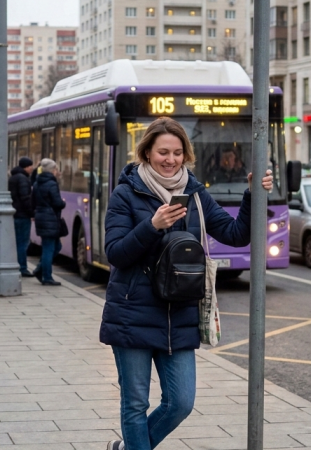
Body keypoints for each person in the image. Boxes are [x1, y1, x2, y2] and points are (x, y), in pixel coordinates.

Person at [100, 117, 273, 450]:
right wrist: (152, 225)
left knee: (180, 403)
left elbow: (235, 234)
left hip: (178, 314)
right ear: (147, 153)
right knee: (135, 404)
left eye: (177, 153)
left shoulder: (194, 194)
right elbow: (116, 253)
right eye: (163, 152)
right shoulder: (126, 194)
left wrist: (253, 195)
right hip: (132, 314)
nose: (171, 159)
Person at [33, 158, 66, 286]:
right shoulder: (52, 184)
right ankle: (46, 277)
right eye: (56, 169)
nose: (57, 171)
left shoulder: (37, 183)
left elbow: (33, 200)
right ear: (52, 170)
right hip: (50, 219)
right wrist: (63, 203)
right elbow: (57, 203)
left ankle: (40, 269)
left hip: (41, 217)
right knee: (49, 248)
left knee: (55, 246)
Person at [9, 157, 35, 277]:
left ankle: (17, 265)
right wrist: (31, 213)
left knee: (17, 242)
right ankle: (22, 268)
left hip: (15, 214)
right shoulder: (23, 179)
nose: (32, 168)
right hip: (22, 215)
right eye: (30, 166)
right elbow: (25, 198)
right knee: (23, 243)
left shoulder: (13, 177)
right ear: (26, 167)